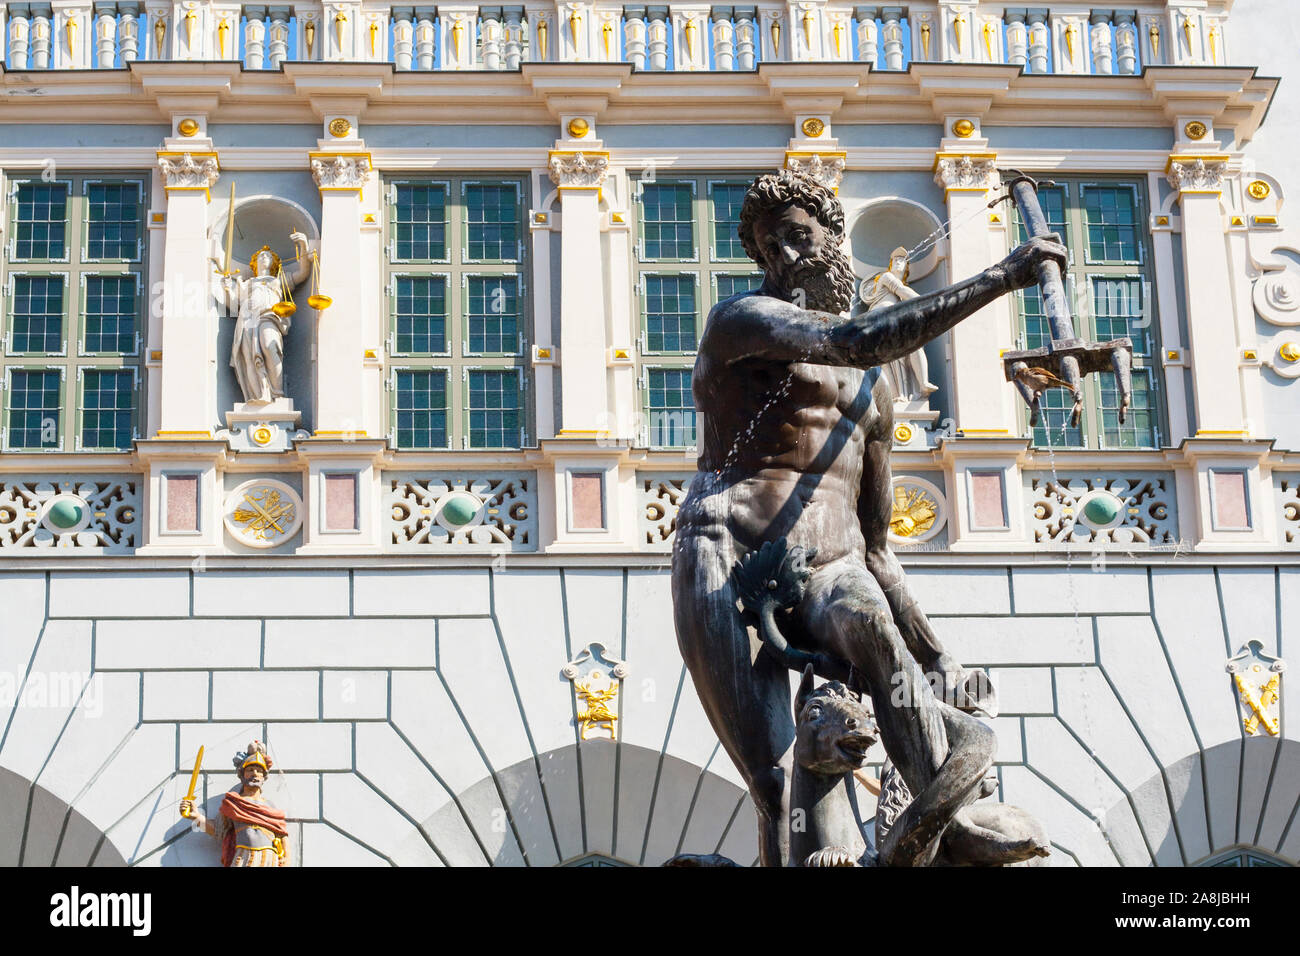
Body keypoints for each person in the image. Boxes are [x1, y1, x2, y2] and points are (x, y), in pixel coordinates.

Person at [670, 170, 1066, 865]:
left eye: (798, 237)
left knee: (878, 634)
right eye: (771, 248)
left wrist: (936, 650)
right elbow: (858, 338)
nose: (787, 257)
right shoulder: (742, 322)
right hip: (727, 553)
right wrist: (1004, 277)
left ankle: (945, 822)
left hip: (833, 563)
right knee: (771, 777)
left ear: (833, 237)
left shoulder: (874, 395)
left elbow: (879, 551)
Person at [222, 234, 310, 405]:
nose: (264, 257)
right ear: (254, 262)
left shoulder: (279, 280)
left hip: (270, 316)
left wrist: (304, 245)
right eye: (261, 255)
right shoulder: (247, 283)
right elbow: (234, 305)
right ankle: (257, 397)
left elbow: (303, 273)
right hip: (247, 319)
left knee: (271, 347)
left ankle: (277, 395)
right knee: (248, 358)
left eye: (268, 255)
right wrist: (227, 289)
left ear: (274, 262)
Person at [179, 740, 290, 867]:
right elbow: (217, 830)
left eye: (259, 770)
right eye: (250, 769)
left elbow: (282, 835)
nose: (255, 773)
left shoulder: (270, 805)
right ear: (242, 774)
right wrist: (196, 817)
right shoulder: (233, 803)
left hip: (269, 858)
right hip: (244, 857)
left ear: (264, 776)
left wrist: (286, 858)